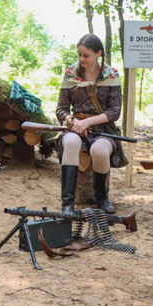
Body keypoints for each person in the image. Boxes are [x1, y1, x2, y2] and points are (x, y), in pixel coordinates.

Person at [55, 34, 127, 215]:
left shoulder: (111, 75)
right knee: (71, 142)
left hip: (102, 129)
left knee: (100, 150)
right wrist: (73, 122)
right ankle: (68, 203)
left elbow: (114, 112)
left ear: (98, 53)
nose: (81, 59)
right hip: (76, 127)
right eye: (79, 54)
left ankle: (102, 198)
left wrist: (89, 121)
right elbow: (61, 110)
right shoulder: (71, 73)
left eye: (86, 55)